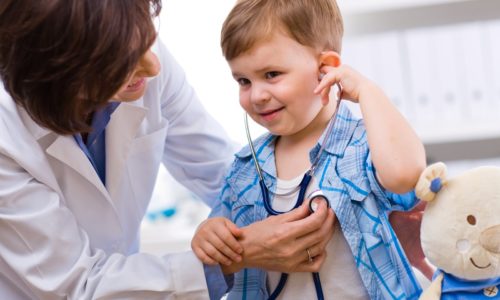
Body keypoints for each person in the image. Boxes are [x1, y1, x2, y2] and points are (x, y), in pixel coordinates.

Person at [0, 0, 336, 299]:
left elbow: (225, 173)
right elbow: (77, 287)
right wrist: (234, 254)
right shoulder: (7, 133)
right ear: (62, 74)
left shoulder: (137, 55)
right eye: (123, 64)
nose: (153, 67)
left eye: (147, 39)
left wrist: (315, 202)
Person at [191, 0, 428, 299]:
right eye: (244, 81)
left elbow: (405, 174)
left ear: (325, 69)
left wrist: (368, 91)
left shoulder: (361, 147)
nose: (258, 95)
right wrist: (208, 233)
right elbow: (216, 240)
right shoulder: (244, 169)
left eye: (272, 74)